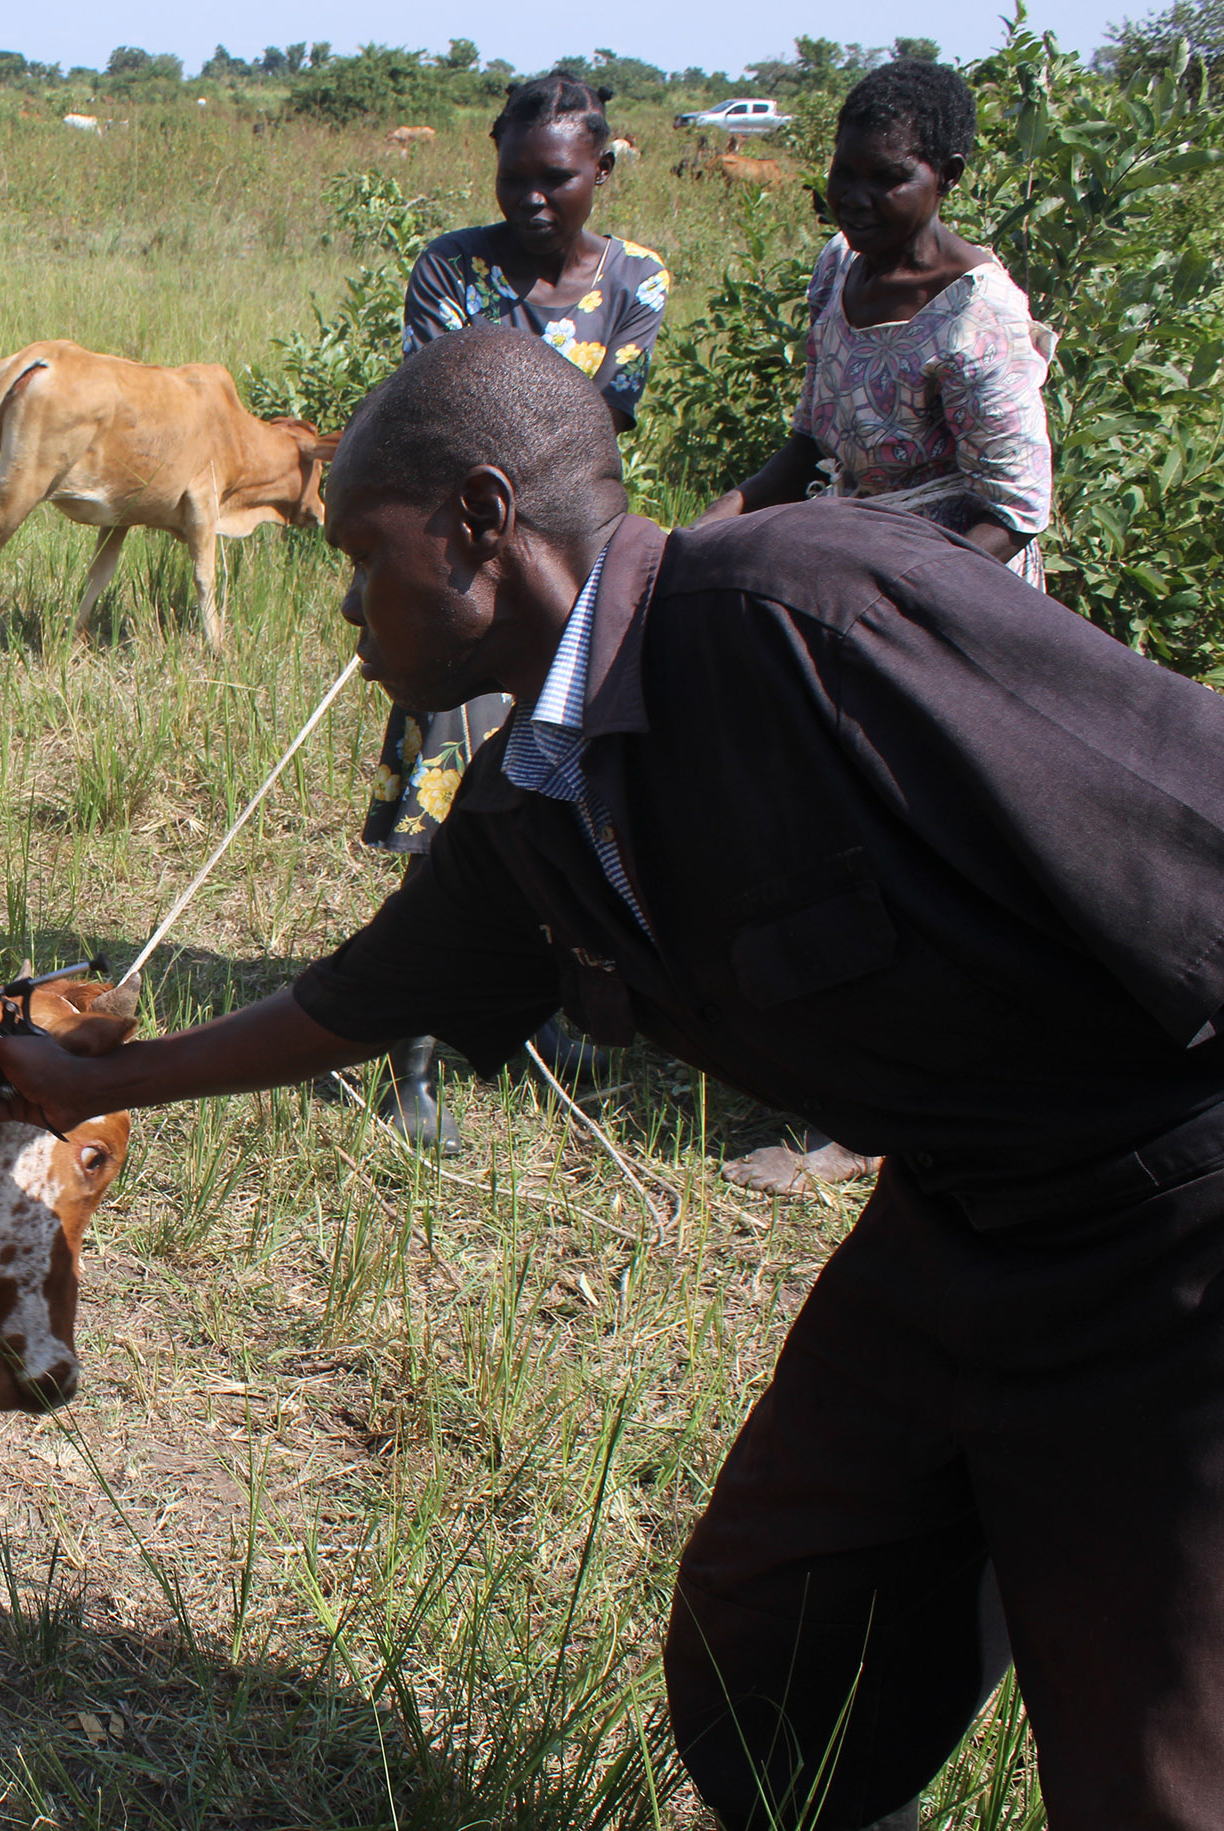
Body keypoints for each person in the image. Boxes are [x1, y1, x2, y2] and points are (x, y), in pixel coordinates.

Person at [0, 326, 1224, 1831]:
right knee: (777, 1643)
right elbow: (359, 996)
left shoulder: (807, 612)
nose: (343, 607)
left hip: (1207, 1218)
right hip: (961, 1212)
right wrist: (96, 1078)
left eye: (360, 554)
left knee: (1197, 1811)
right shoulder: (533, 798)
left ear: (479, 523)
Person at [699, 58, 1053, 1194]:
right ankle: (830, 1062)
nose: (855, 203)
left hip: (950, 604)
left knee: (910, 851)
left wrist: (893, 606)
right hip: (839, 578)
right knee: (809, 832)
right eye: (839, 181)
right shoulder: (837, 275)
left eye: (884, 180)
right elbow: (809, 446)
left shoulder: (977, 311)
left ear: (945, 175)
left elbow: (1012, 506)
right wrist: (714, 529)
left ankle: (877, 1113)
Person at [359, 70, 673, 1151]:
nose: (533, 200)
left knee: (558, 796)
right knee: (437, 804)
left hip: (561, 592)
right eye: (514, 178)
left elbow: (592, 419)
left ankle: (544, 1012)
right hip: (456, 583)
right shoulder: (450, 265)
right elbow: (440, 418)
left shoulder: (636, 281)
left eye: (557, 179)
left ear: (602, 168)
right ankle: (408, 1059)